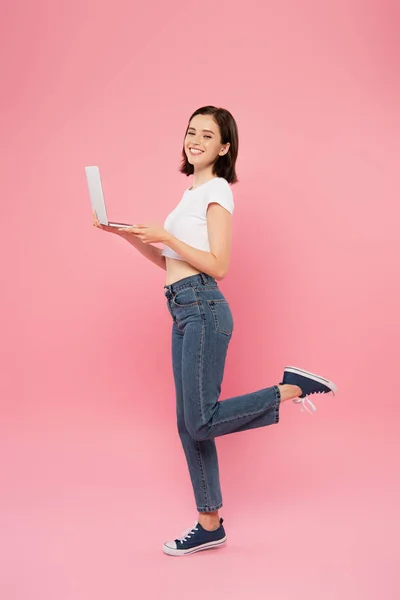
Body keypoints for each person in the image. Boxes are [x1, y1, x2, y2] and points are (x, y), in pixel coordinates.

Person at [92, 105, 338, 557]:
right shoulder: (189, 194)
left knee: (200, 420)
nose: (196, 140)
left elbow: (219, 265)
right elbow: (172, 264)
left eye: (207, 135)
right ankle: (210, 524)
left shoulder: (219, 191)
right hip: (182, 306)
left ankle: (290, 389)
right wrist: (128, 235)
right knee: (189, 426)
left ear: (224, 148)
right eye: (191, 132)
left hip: (204, 306)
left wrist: (167, 237)